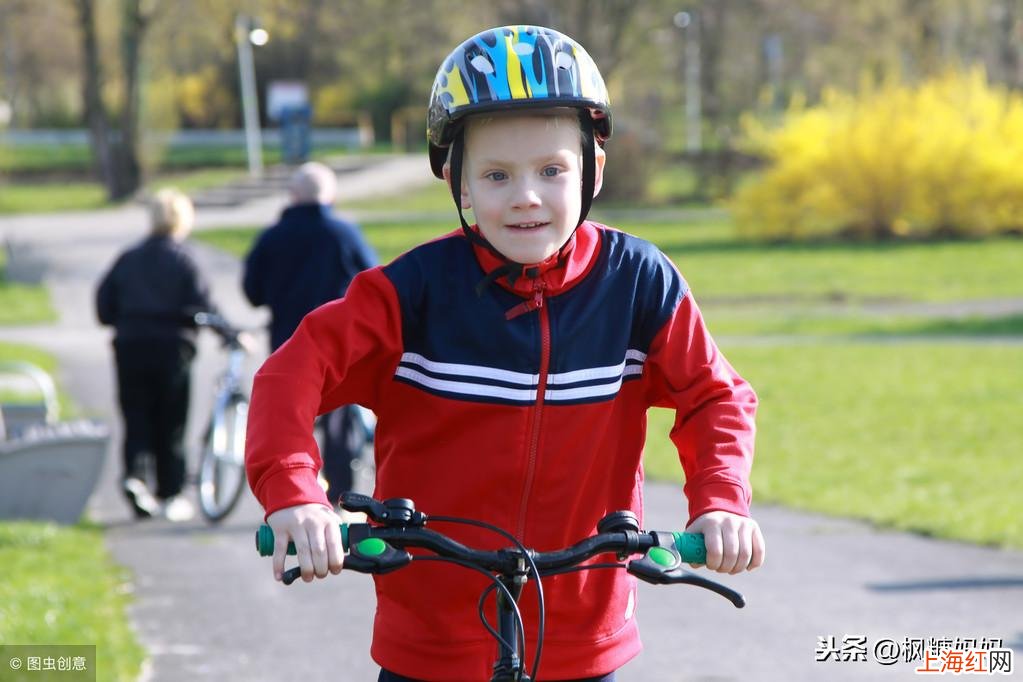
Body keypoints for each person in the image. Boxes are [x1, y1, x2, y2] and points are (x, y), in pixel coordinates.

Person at [246, 25, 765, 681]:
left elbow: (713, 395)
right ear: (457, 184)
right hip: (430, 636)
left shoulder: (638, 281)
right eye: (496, 175)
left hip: (582, 627)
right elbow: (292, 374)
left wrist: (719, 501)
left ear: (593, 171)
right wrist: (295, 493)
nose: (525, 196)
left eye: (551, 170)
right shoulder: (413, 291)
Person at [242, 161, 377, 501]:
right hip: (339, 343)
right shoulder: (344, 234)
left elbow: (252, 291)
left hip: (286, 341)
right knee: (337, 420)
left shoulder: (272, 237)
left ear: (293, 195)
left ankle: (293, 490)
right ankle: (342, 497)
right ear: (330, 195)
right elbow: (375, 281)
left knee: (290, 417)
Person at [96, 188, 213, 522]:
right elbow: (201, 305)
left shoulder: (128, 258)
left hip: (130, 345)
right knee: (172, 423)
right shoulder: (185, 260)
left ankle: (136, 477)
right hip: (173, 349)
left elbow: (104, 307)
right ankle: (170, 491)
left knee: (136, 418)